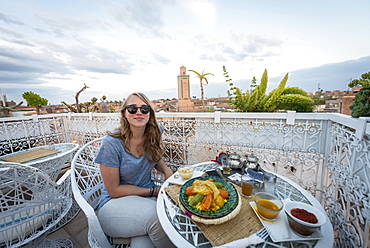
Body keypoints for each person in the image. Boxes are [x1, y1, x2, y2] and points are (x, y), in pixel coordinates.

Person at [94, 92, 175, 248]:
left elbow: (155, 155)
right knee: (160, 218)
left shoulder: (154, 132)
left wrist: (166, 170)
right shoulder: (112, 144)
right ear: (124, 113)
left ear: (150, 114)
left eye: (144, 109)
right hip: (114, 204)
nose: (139, 112)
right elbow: (114, 191)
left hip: (144, 202)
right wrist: (153, 191)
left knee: (145, 243)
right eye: (132, 109)